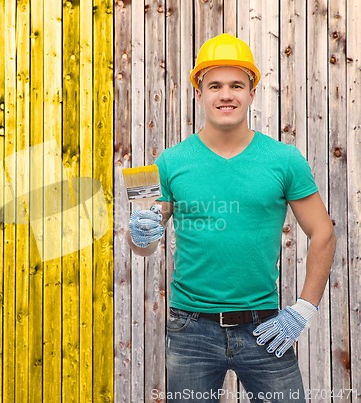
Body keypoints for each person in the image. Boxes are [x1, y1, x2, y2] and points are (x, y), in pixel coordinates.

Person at [126, 33, 336, 403]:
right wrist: (139, 237)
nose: (226, 95)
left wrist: (304, 309)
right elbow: (147, 244)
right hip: (190, 330)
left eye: (237, 85)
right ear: (200, 93)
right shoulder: (170, 162)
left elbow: (322, 233)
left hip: (266, 327)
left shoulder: (284, 160)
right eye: (215, 85)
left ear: (252, 92)